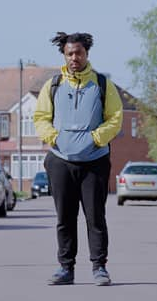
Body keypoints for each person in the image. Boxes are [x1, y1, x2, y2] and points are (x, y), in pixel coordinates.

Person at [34, 31, 123, 286]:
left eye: (79, 53)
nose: (75, 58)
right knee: (65, 217)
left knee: (95, 216)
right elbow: (40, 117)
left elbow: (115, 118)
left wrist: (96, 138)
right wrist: (53, 137)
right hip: (61, 159)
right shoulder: (52, 85)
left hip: (94, 160)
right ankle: (65, 268)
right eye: (70, 53)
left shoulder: (102, 85)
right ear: (64, 55)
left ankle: (99, 267)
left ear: (87, 54)